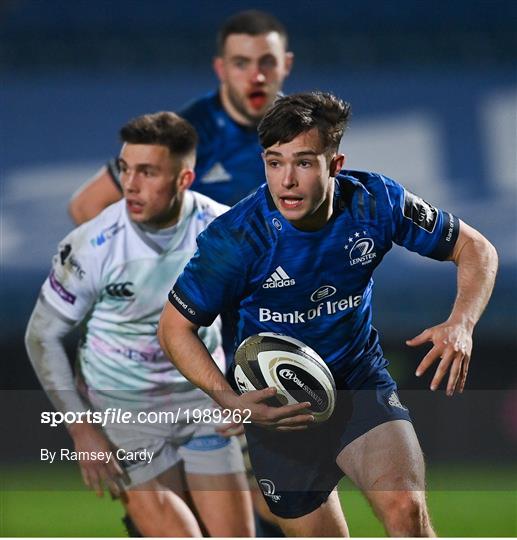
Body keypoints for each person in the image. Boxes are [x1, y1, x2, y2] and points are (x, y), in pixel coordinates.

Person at [158, 92, 498, 537]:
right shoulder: (237, 239)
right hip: (279, 408)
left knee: (405, 511)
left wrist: (462, 323)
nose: (287, 181)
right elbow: (174, 328)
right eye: (274, 162)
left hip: (358, 381)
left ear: (334, 164)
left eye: (303, 162)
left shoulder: (375, 201)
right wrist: (230, 399)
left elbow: (475, 247)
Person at [25, 112, 254, 537]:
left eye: (147, 172)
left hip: (202, 401)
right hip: (123, 409)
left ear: (185, 179)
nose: (130, 184)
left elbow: (264, 307)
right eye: (126, 169)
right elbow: (42, 336)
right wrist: (83, 432)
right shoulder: (92, 245)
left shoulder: (223, 230)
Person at [68, 10, 294, 223]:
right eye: (241, 64)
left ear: (286, 64)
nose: (257, 77)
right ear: (221, 69)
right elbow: (87, 205)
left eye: (267, 62)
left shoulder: (307, 131)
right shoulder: (184, 134)